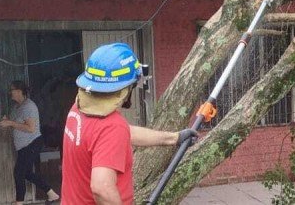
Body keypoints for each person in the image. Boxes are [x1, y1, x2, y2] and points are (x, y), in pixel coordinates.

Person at [61, 43, 197, 204]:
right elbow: (101, 188)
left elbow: (123, 133)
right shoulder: (111, 126)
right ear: (126, 88)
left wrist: (174, 138)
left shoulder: (78, 108)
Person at [0, 80, 60, 204]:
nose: (10, 92)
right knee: (26, 173)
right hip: (23, 146)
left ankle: (19, 203)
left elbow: (30, 128)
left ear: (19, 91)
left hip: (32, 143)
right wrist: (7, 120)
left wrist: (10, 123)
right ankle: (52, 194)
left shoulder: (28, 106)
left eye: (12, 90)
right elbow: (18, 124)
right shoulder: (17, 107)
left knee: (18, 173)